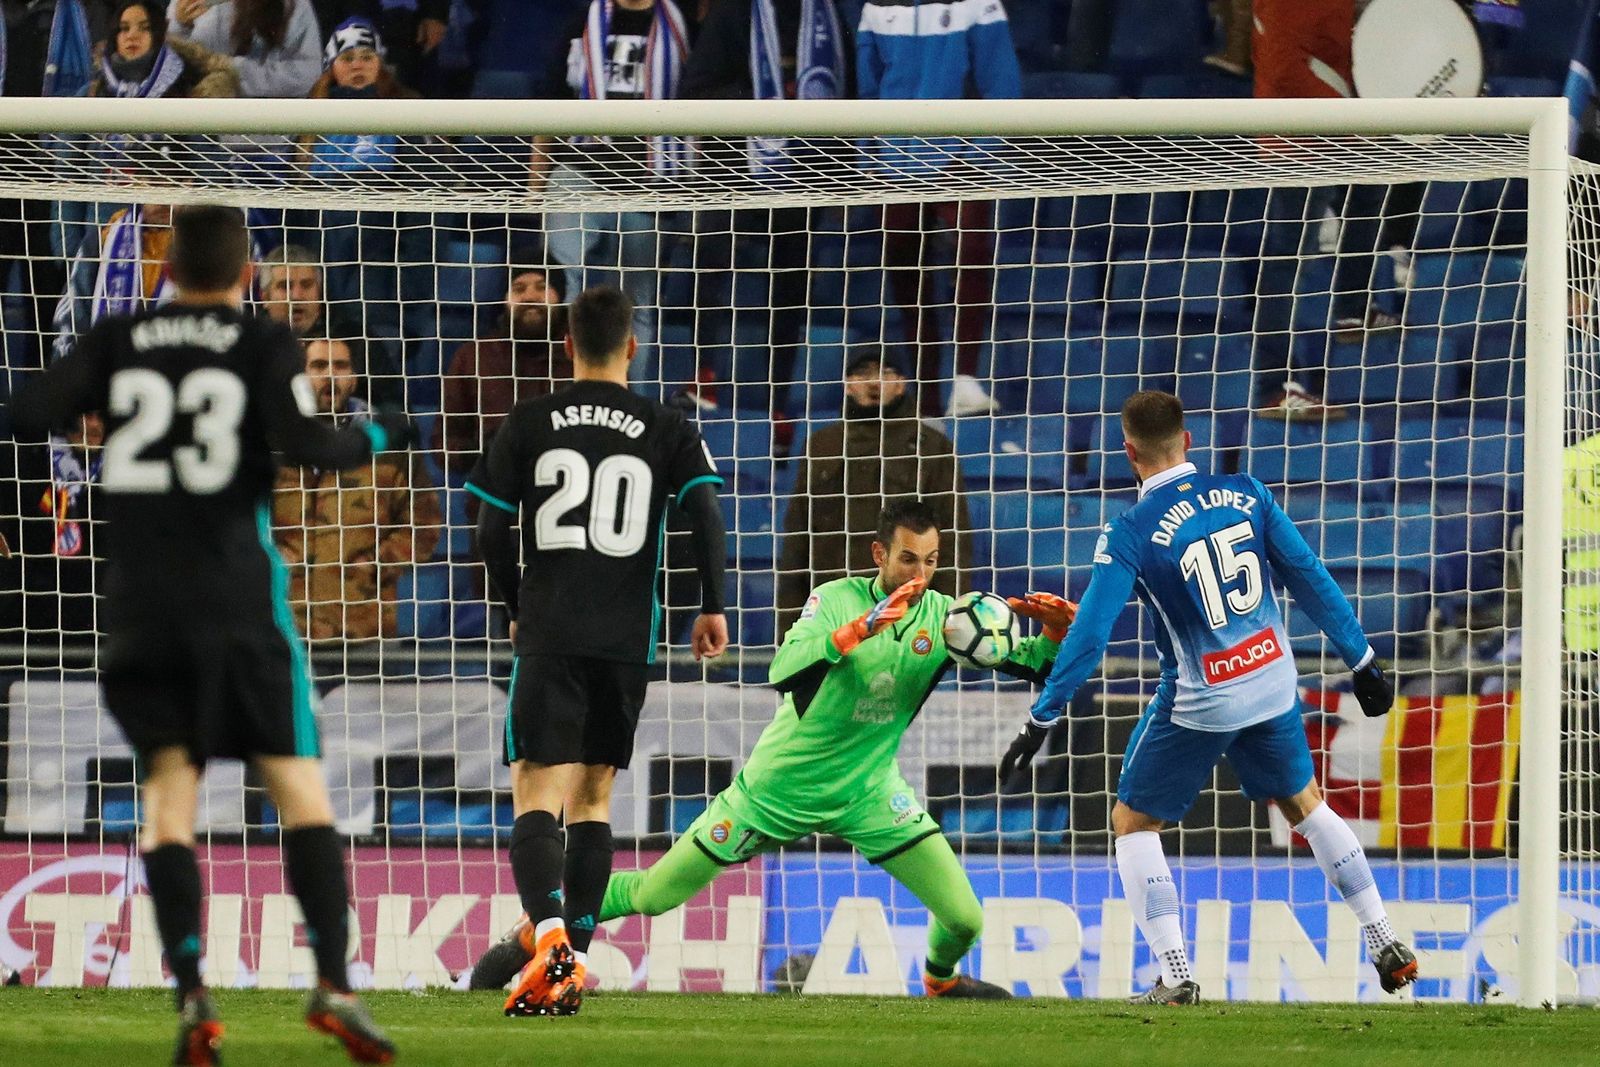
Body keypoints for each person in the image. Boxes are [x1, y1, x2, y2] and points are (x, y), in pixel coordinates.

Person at [7, 205, 404, 1064]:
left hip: (142, 610)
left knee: (168, 800)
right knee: (299, 786)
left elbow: (26, 405)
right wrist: (383, 430)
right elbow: (309, 443)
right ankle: (335, 985)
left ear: (168, 266)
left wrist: (90, 420)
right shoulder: (263, 345)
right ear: (248, 275)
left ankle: (193, 996)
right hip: (238, 604)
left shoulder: (119, 338)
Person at [470, 499, 1076, 997]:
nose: (919, 575)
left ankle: (940, 982)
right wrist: (859, 629)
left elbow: (1033, 667)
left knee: (966, 918)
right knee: (655, 894)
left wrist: (1054, 632)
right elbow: (784, 667)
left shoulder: (948, 617)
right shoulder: (836, 598)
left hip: (868, 793)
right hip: (774, 791)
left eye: (932, 561)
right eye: (908, 559)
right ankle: (540, 928)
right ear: (879, 555)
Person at [1000, 390, 1416, 1005]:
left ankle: (1175, 974)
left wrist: (1043, 714)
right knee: (1306, 802)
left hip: (1203, 694)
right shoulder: (1248, 492)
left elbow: (1091, 633)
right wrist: (1361, 660)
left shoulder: (1130, 532)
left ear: (1128, 451)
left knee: (1133, 822)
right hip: (1274, 679)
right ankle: (1384, 938)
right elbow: (1308, 575)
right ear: (1189, 441)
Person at [467, 284, 729, 1017]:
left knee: (534, 790)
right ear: (633, 348)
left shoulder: (529, 419)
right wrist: (711, 605)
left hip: (550, 632)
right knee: (592, 798)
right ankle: (572, 960)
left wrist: (515, 606)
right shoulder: (664, 422)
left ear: (567, 345)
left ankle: (549, 943)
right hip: (624, 640)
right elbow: (705, 511)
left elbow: (486, 528)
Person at [676, 0, 850, 418]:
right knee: (711, 254)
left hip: (802, 170)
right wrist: (764, 97)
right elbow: (696, 89)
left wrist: (843, 174)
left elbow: (847, 94)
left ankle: (779, 399)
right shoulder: (732, 12)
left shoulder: (828, 16)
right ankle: (704, 373)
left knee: (792, 282)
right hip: (732, 168)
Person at [856, 0, 1020, 417]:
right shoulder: (876, 7)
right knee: (908, 278)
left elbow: (1001, 83)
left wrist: (979, 154)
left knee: (972, 252)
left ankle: (965, 379)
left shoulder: (978, 5)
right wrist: (868, 161)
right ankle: (928, 402)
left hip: (959, 156)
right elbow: (867, 90)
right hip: (895, 161)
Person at [533, 0, 697, 390]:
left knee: (635, 306)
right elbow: (548, 105)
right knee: (569, 290)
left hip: (650, 182)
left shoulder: (683, 23)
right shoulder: (581, 20)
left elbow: (698, 111)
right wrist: (535, 189)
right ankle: (569, 395)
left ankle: (628, 401)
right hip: (580, 170)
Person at [776, 348, 971, 634]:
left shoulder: (932, 447)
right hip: (833, 613)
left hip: (907, 615)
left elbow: (953, 536)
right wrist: (790, 626)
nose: (874, 382)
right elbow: (797, 537)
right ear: (848, 384)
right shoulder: (821, 445)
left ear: (901, 383)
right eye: (863, 373)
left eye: (885, 373)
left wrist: (947, 617)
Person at [271, 336, 442, 642]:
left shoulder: (389, 447)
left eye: (340, 366)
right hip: (283, 627)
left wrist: (375, 566)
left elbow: (424, 525)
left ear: (354, 378)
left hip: (364, 626)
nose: (330, 375)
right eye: (319, 366)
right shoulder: (271, 448)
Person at [434, 264, 570, 472]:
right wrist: (488, 451)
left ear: (559, 296)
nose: (530, 297)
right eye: (518, 289)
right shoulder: (473, 357)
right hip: (494, 498)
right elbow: (442, 443)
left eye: (542, 287)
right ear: (505, 299)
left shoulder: (586, 357)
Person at [256, 244, 405, 404]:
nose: (297, 296)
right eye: (285, 286)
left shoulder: (358, 341)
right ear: (265, 297)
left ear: (319, 292)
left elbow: (394, 408)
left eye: (306, 285)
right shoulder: (250, 342)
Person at [168, 0, 323, 98]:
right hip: (199, 132)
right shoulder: (185, 4)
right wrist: (180, 25)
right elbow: (164, 62)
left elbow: (307, 74)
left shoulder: (295, 6)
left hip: (270, 137)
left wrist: (237, 72)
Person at [87, 1, 238, 100]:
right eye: (124, 28)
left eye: (145, 28)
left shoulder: (186, 92)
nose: (132, 36)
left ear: (158, 35)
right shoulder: (96, 87)